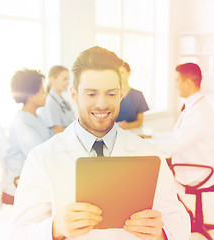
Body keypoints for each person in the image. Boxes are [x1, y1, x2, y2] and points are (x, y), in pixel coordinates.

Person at [10, 46, 191, 240]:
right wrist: (55, 228)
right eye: (91, 94)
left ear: (121, 94)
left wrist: (162, 234)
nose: (102, 104)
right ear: (74, 95)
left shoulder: (149, 153)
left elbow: (177, 217)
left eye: (111, 94)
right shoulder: (42, 157)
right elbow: (20, 232)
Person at [151, 63, 214, 187]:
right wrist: (152, 137)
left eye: (177, 81)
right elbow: (177, 135)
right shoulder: (194, 106)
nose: (175, 85)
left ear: (188, 83)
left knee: (150, 173)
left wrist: (145, 142)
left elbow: (175, 146)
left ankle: (173, 204)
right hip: (191, 161)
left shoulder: (198, 112)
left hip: (197, 169)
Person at [2, 69, 52, 204]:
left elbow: (48, 142)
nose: (46, 95)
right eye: (42, 92)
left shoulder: (36, 117)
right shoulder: (21, 122)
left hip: (34, 174)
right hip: (20, 182)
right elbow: (38, 153)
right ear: (30, 95)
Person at [38, 65, 75, 134]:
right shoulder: (49, 103)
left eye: (68, 79)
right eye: (65, 79)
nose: (68, 82)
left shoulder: (64, 102)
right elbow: (58, 133)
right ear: (52, 80)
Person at [116, 61, 149, 130]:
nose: (119, 76)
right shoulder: (111, 95)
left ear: (129, 73)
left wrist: (127, 125)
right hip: (115, 132)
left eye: (122, 73)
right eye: (117, 73)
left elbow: (140, 121)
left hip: (133, 131)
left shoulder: (138, 95)